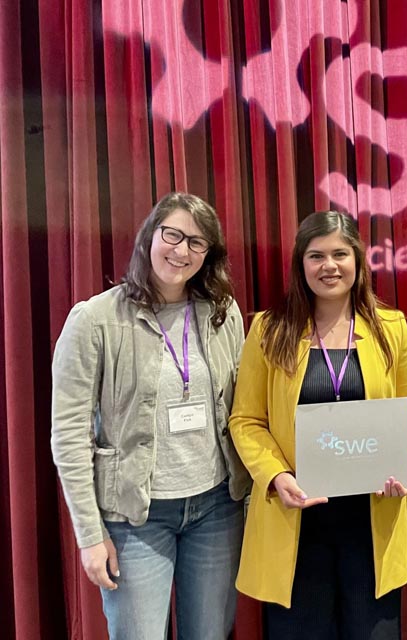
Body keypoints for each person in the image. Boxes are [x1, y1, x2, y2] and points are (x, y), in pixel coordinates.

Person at [50, 192, 251, 639]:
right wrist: (89, 534)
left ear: (209, 255)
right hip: (135, 520)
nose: (181, 251)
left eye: (196, 243)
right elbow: (68, 435)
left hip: (217, 509)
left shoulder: (223, 313)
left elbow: (243, 412)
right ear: (150, 236)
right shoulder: (94, 319)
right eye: (173, 235)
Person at [229, 211, 407, 639]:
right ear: (301, 264)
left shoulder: (391, 328)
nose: (329, 266)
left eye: (340, 254)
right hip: (296, 523)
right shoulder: (268, 329)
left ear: (357, 260)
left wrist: (400, 457)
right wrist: (275, 475)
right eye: (316, 256)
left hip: (372, 520)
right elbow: (246, 419)